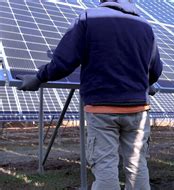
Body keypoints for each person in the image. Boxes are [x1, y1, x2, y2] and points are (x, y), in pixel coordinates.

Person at [17, 0, 163, 189]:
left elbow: (64, 61)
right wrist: (145, 83)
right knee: (137, 166)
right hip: (138, 109)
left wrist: (39, 77)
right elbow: (156, 69)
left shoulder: (88, 18)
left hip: (102, 109)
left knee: (105, 168)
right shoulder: (145, 26)